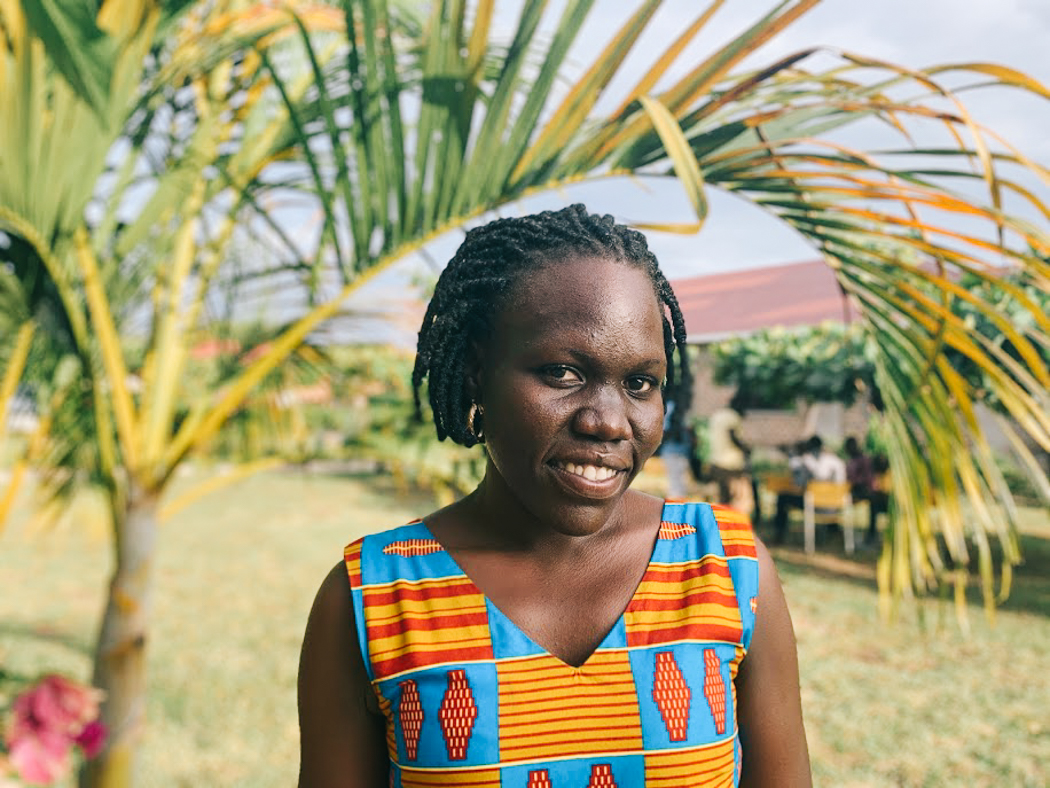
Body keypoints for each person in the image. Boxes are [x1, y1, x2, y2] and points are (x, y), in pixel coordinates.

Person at [297, 205, 811, 787]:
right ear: (474, 375)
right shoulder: (375, 598)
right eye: (563, 373)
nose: (609, 422)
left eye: (640, 383)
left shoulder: (726, 570)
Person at [773, 435, 846, 545]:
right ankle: (833, 529)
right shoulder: (837, 461)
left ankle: (779, 535)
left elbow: (799, 484)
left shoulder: (808, 460)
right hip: (837, 506)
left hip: (815, 505)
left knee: (783, 498)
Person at [706, 392, 755, 520]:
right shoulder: (733, 417)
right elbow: (732, 435)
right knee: (738, 498)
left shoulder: (717, 415)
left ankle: (721, 525)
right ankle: (732, 525)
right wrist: (745, 449)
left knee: (722, 497)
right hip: (731, 464)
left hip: (716, 461)